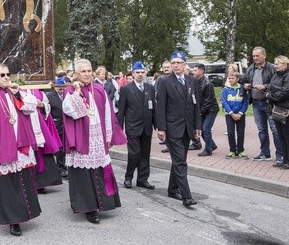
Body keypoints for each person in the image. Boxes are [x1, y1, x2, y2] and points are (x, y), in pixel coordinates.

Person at [0, 63, 42, 237]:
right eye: (2, 75)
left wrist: (18, 92)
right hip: (2, 146)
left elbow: (31, 107)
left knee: (23, 180)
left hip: (21, 144)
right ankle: (13, 221)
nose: (6, 78)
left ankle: (25, 214)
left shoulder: (15, 93)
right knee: (7, 185)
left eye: (7, 74)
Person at [62, 59, 126, 223]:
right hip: (82, 137)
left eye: (89, 71)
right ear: (76, 74)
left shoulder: (99, 89)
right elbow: (70, 111)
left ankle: (105, 203)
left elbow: (108, 113)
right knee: (84, 174)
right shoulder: (69, 91)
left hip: (98, 136)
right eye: (83, 71)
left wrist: (109, 135)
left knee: (100, 170)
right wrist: (77, 91)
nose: (87, 74)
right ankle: (89, 208)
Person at [155, 51, 201, 207]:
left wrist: (197, 126)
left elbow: (195, 105)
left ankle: (172, 189)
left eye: (178, 62)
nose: (175, 65)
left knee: (179, 160)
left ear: (184, 64)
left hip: (187, 128)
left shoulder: (191, 81)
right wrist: (161, 128)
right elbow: (160, 106)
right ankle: (187, 196)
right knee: (180, 161)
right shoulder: (164, 81)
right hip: (172, 127)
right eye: (173, 63)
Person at [117, 61, 156, 189]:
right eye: (137, 72)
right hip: (133, 127)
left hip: (146, 127)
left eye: (142, 72)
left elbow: (153, 108)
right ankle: (128, 177)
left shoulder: (150, 88)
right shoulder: (126, 89)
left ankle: (143, 179)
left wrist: (159, 126)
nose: (140, 75)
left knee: (145, 154)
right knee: (134, 154)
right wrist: (119, 128)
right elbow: (121, 110)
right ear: (132, 74)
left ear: (145, 73)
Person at [242, 46, 283, 163]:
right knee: (261, 130)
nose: (255, 58)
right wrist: (245, 86)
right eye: (253, 56)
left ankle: (280, 155)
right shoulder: (251, 68)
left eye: (257, 56)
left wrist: (265, 86)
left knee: (275, 130)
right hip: (256, 103)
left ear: (264, 56)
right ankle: (265, 153)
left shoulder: (272, 68)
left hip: (269, 103)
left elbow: (278, 84)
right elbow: (244, 81)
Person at [27, 87, 63, 193]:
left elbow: (47, 107)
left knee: (41, 154)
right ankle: (28, 184)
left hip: (39, 125)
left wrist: (41, 105)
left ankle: (40, 183)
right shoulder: (16, 90)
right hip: (25, 126)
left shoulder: (39, 92)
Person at [265, 56, 289, 169]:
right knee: (281, 135)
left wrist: (271, 97)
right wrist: (270, 94)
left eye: (278, 63)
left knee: (288, 135)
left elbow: (287, 92)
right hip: (277, 109)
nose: (275, 65)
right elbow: (270, 87)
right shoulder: (276, 75)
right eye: (275, 63)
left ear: (285, 64)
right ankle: (284, 159)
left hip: (287, 110)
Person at [193, 63, 220, 156]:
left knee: (205, 128)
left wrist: (200, 113)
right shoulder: (196, 81)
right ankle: (212, 145)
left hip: (211, 109)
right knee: (200, 128)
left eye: (195, 70)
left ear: (201, 71)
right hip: (203, 109)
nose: (193, 72)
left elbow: (208, 101)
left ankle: (208, 150)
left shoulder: (207, 84)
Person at [221, 72, 249, 159]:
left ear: (237, 79)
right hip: (229, 115)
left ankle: (240, 150)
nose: (230, 80)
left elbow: (245, 102)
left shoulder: (242, 89)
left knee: (241, 133)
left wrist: (240, 113)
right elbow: (224, 102)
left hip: (240, 115)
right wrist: (231, 113)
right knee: (231, 133)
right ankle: (232, 150)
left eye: (232, 78)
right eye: (229, 78)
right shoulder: (225, 89)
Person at [46, 76, 67, 177]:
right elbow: (47, 111)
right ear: (54, 87)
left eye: (62, 86)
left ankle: (67, 166)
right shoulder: (49, 96)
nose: (61, 88)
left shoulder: (67, 94)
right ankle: (61, 167)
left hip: (67, 124)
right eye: (58, 86)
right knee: (60, 148)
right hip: (57, 125)